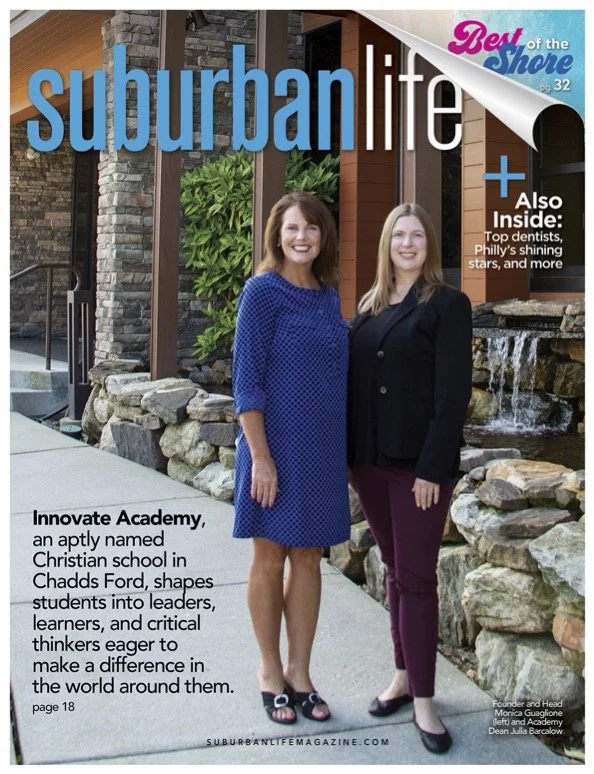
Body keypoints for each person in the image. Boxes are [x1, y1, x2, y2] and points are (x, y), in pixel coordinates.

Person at [348, 203, 472, 754]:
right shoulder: (369, 306)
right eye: (398, 233)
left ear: (429, 245)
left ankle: (425, 698)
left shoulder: (448, 305)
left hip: (417, 469)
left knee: (418, 580)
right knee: (396, 572)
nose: (406, 242)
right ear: (385, 243)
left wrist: (431, 468)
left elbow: (452, 397)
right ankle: (402, 675)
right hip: (369, 463)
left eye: (416, 234)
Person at [232, 192, 350, 725]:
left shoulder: (328, 298)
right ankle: (269, 670)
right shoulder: (261, 293)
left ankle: (301, 674)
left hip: (321, 452)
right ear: (277, 235)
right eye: (292, 228)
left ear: (323, 237)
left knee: (308, 560)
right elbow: (246, 383)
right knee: (270, 558)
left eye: (311, 229)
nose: (302, 237)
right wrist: (261, 457)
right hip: (272, 449)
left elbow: (336, 380)